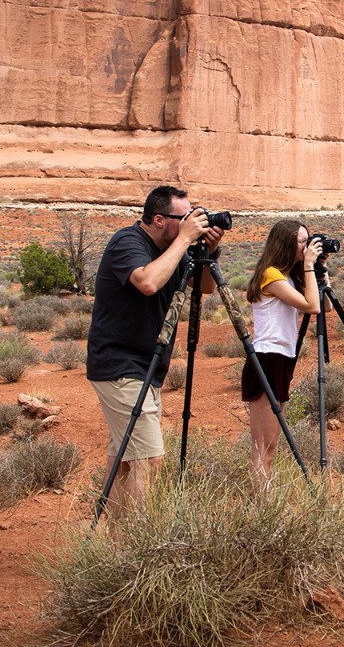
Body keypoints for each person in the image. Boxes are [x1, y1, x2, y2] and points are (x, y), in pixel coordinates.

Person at [86, 185, 224, 519]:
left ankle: (115, 544)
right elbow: (147, 282)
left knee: (123, 462)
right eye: (185, 218)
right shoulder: (128, 242)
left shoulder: (175, 248)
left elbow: (204, 288)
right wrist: (183, 241)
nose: (193, 222)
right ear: (159, 219)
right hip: (120, 364)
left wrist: (207, 252)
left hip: (148, 367)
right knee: (149, 460)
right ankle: (137, 545)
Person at [242, 219, 322, 490]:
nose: (306, 246)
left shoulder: (287, 278)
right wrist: (309, 265)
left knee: (271, 447)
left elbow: (323, 308)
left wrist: (319, 274)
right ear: (285, 243)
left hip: (281, 360)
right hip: (267, 359)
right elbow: (312, 307)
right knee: (263, 449)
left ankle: (262, 507)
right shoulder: (271, 275)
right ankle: (260, 511)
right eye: (302, 241)